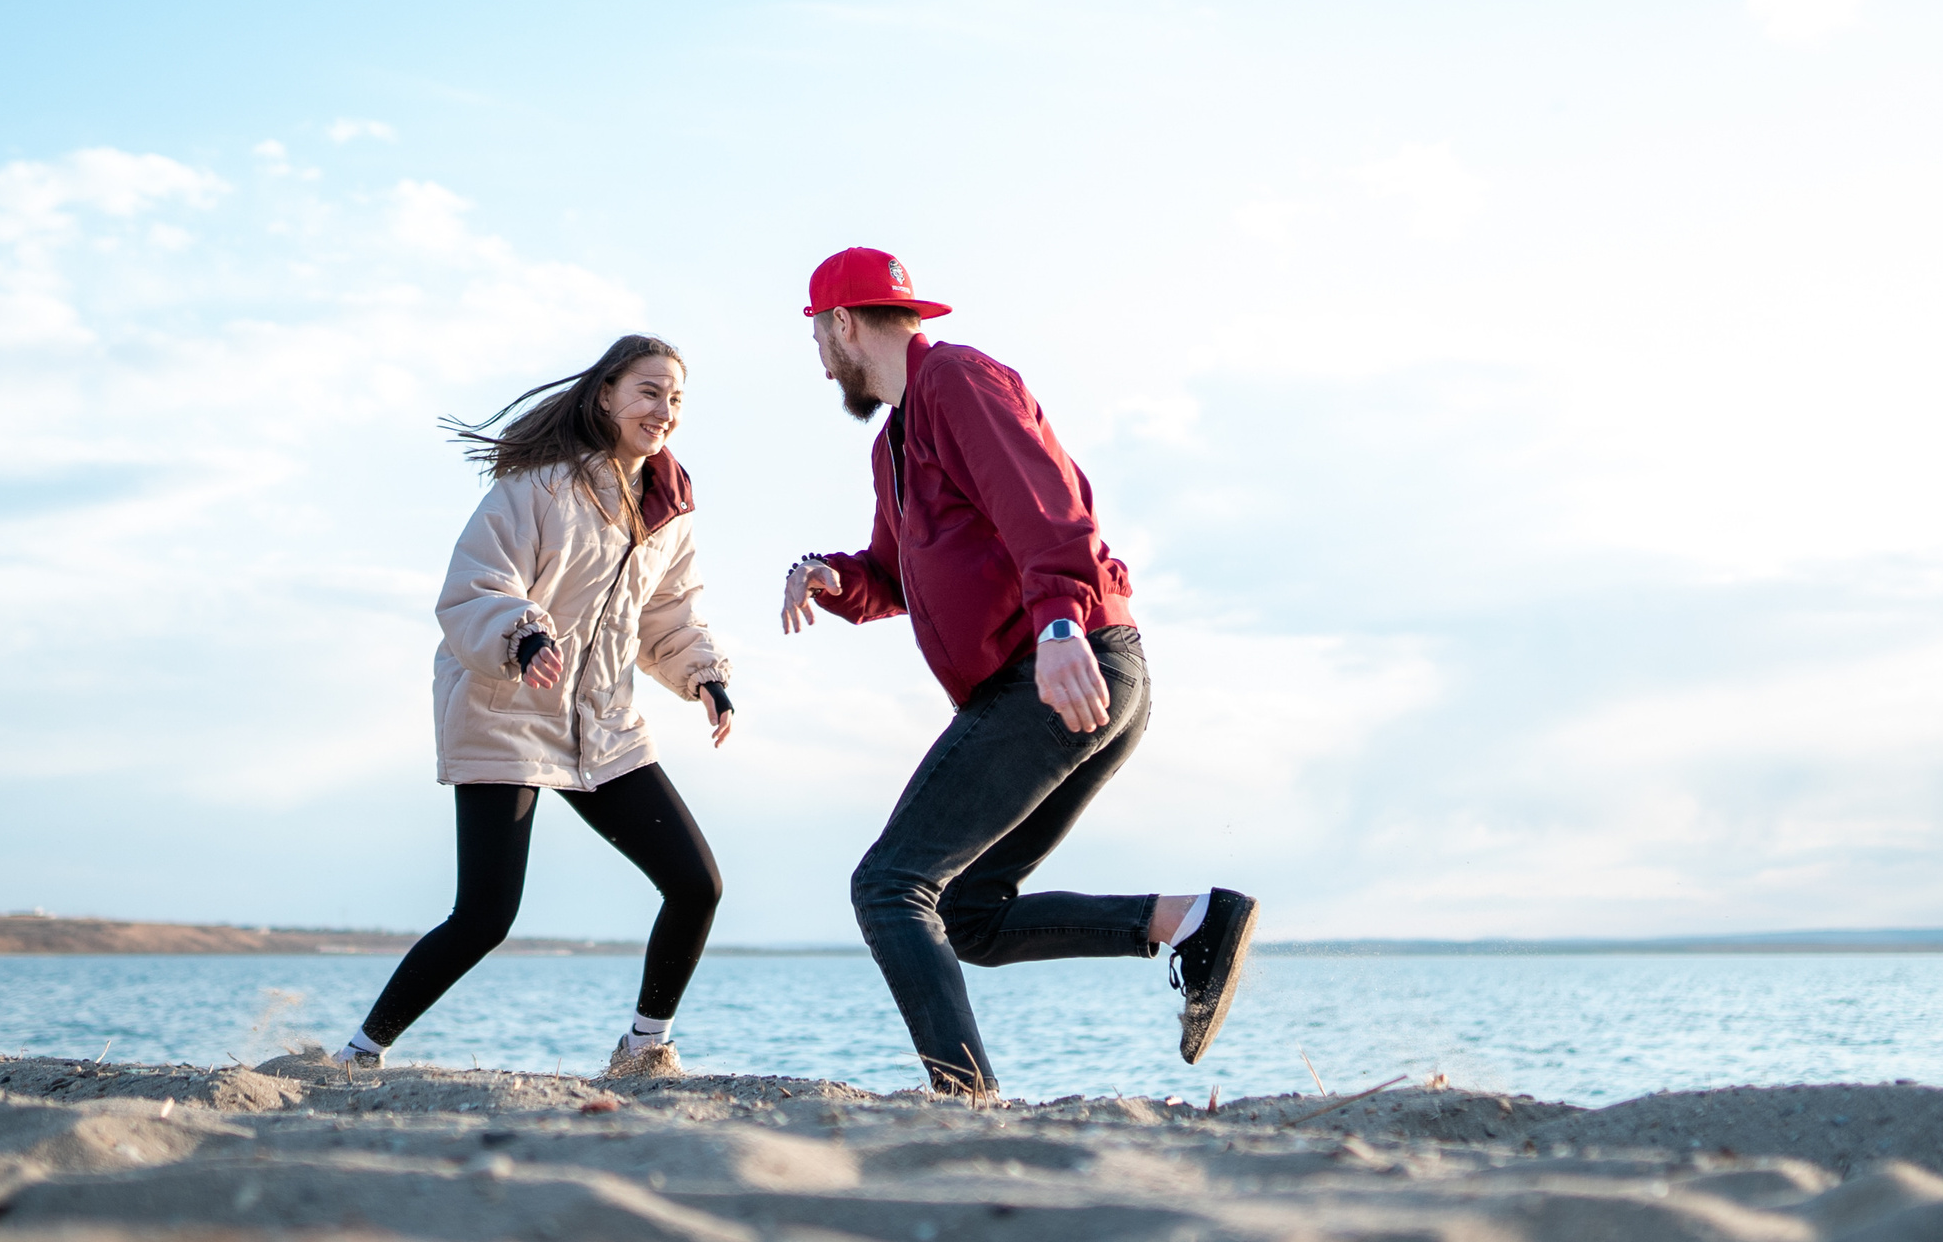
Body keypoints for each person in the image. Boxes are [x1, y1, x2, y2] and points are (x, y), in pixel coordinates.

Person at [780, 246, 1258, 1096]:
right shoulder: (896, 441)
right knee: (968, 914)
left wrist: (1064, 624)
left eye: (818, 335)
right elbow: (892, 577)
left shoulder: (957, 381)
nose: (819, 362)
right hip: (1051, 671)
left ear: (844, 323)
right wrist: (831, 577)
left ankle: (964, 1099)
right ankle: (1190, 922)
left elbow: (1046, 506)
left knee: (889, 885)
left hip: (1058, 665)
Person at [332, 335, 733, 1080]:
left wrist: (704, 676)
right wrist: (521, 638)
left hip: (603, 727)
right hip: (506, 711)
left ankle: (644, 1049)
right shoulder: (539, 488)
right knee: (484, 917)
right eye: (649, 391)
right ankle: (359, 1054)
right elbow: (475, 586)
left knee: (695, 883)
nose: (664, 410)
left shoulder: (667, 509)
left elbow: (670, 612)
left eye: (675, 399)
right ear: (607, 393)